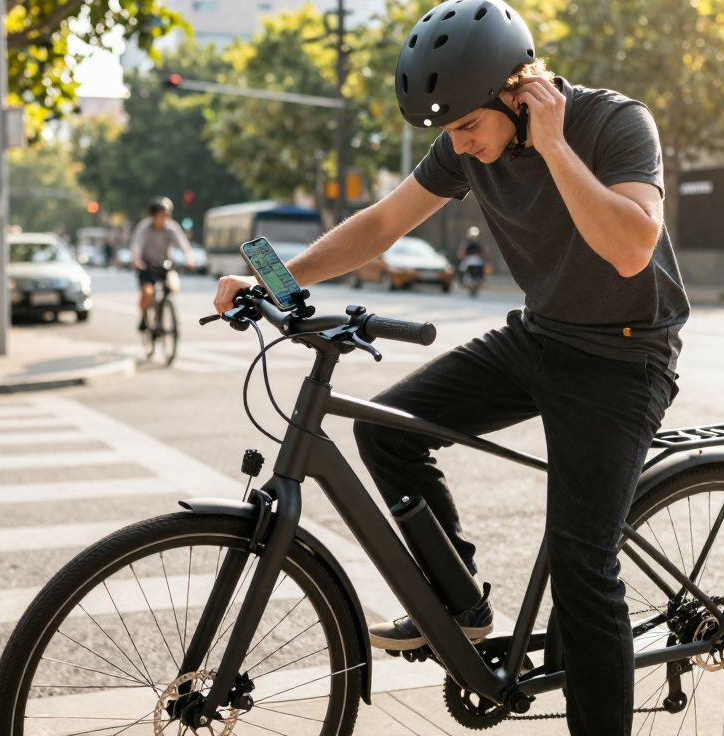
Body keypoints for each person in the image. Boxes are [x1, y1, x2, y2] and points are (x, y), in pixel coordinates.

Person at [214, 0, 688, 731]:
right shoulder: (465, 141)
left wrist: (557, 148)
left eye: (468, 126)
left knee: (581, 568)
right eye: (448, 132)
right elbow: (381, 225)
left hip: (625, 357)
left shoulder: (613, 123)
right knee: (389, 431)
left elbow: (630, 248)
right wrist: (277, 281)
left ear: (518, 90)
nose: (460, 146)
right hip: (542, 337)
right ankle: (460, 605)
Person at [131, 196, 195, 330]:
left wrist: (189, 259)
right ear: (154, 214)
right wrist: (137, 260)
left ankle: (163, 308)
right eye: (161, 213)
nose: (164, 216)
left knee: (173, 286)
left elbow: (184, 245)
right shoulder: (144, 228)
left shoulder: (172, 227)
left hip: (164, 265)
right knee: (148, 293)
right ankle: (143, 315)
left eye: (167, 213)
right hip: (146, 265)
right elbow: (136, 245)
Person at [457, 226, 488, 291]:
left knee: (461, 267)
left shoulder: (475, 244)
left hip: (472, 260)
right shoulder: (467, 244)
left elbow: (483, 252)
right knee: (462, 267)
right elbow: (462, 253)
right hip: (472, 260)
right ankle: (463, 281)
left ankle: (462, 282)